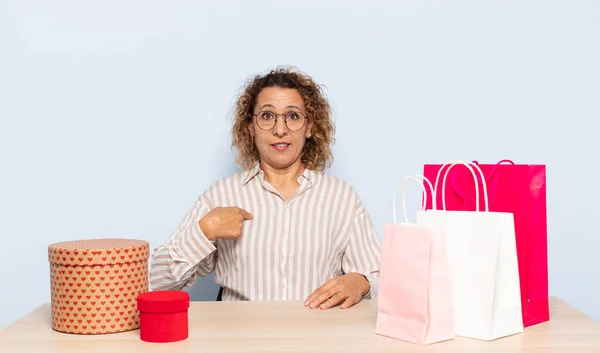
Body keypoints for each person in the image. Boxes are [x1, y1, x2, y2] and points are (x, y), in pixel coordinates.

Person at [149, 67, 381, 310]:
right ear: (251, 126)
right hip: (239, 341)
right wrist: (204, 231)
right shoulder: (221, 195)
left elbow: (381, 279)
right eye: (267, 116)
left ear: (309, 127)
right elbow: (160, 283)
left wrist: (361, 282)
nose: (280, 130)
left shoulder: (342, 199)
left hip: (316, 339)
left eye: (292, 116)